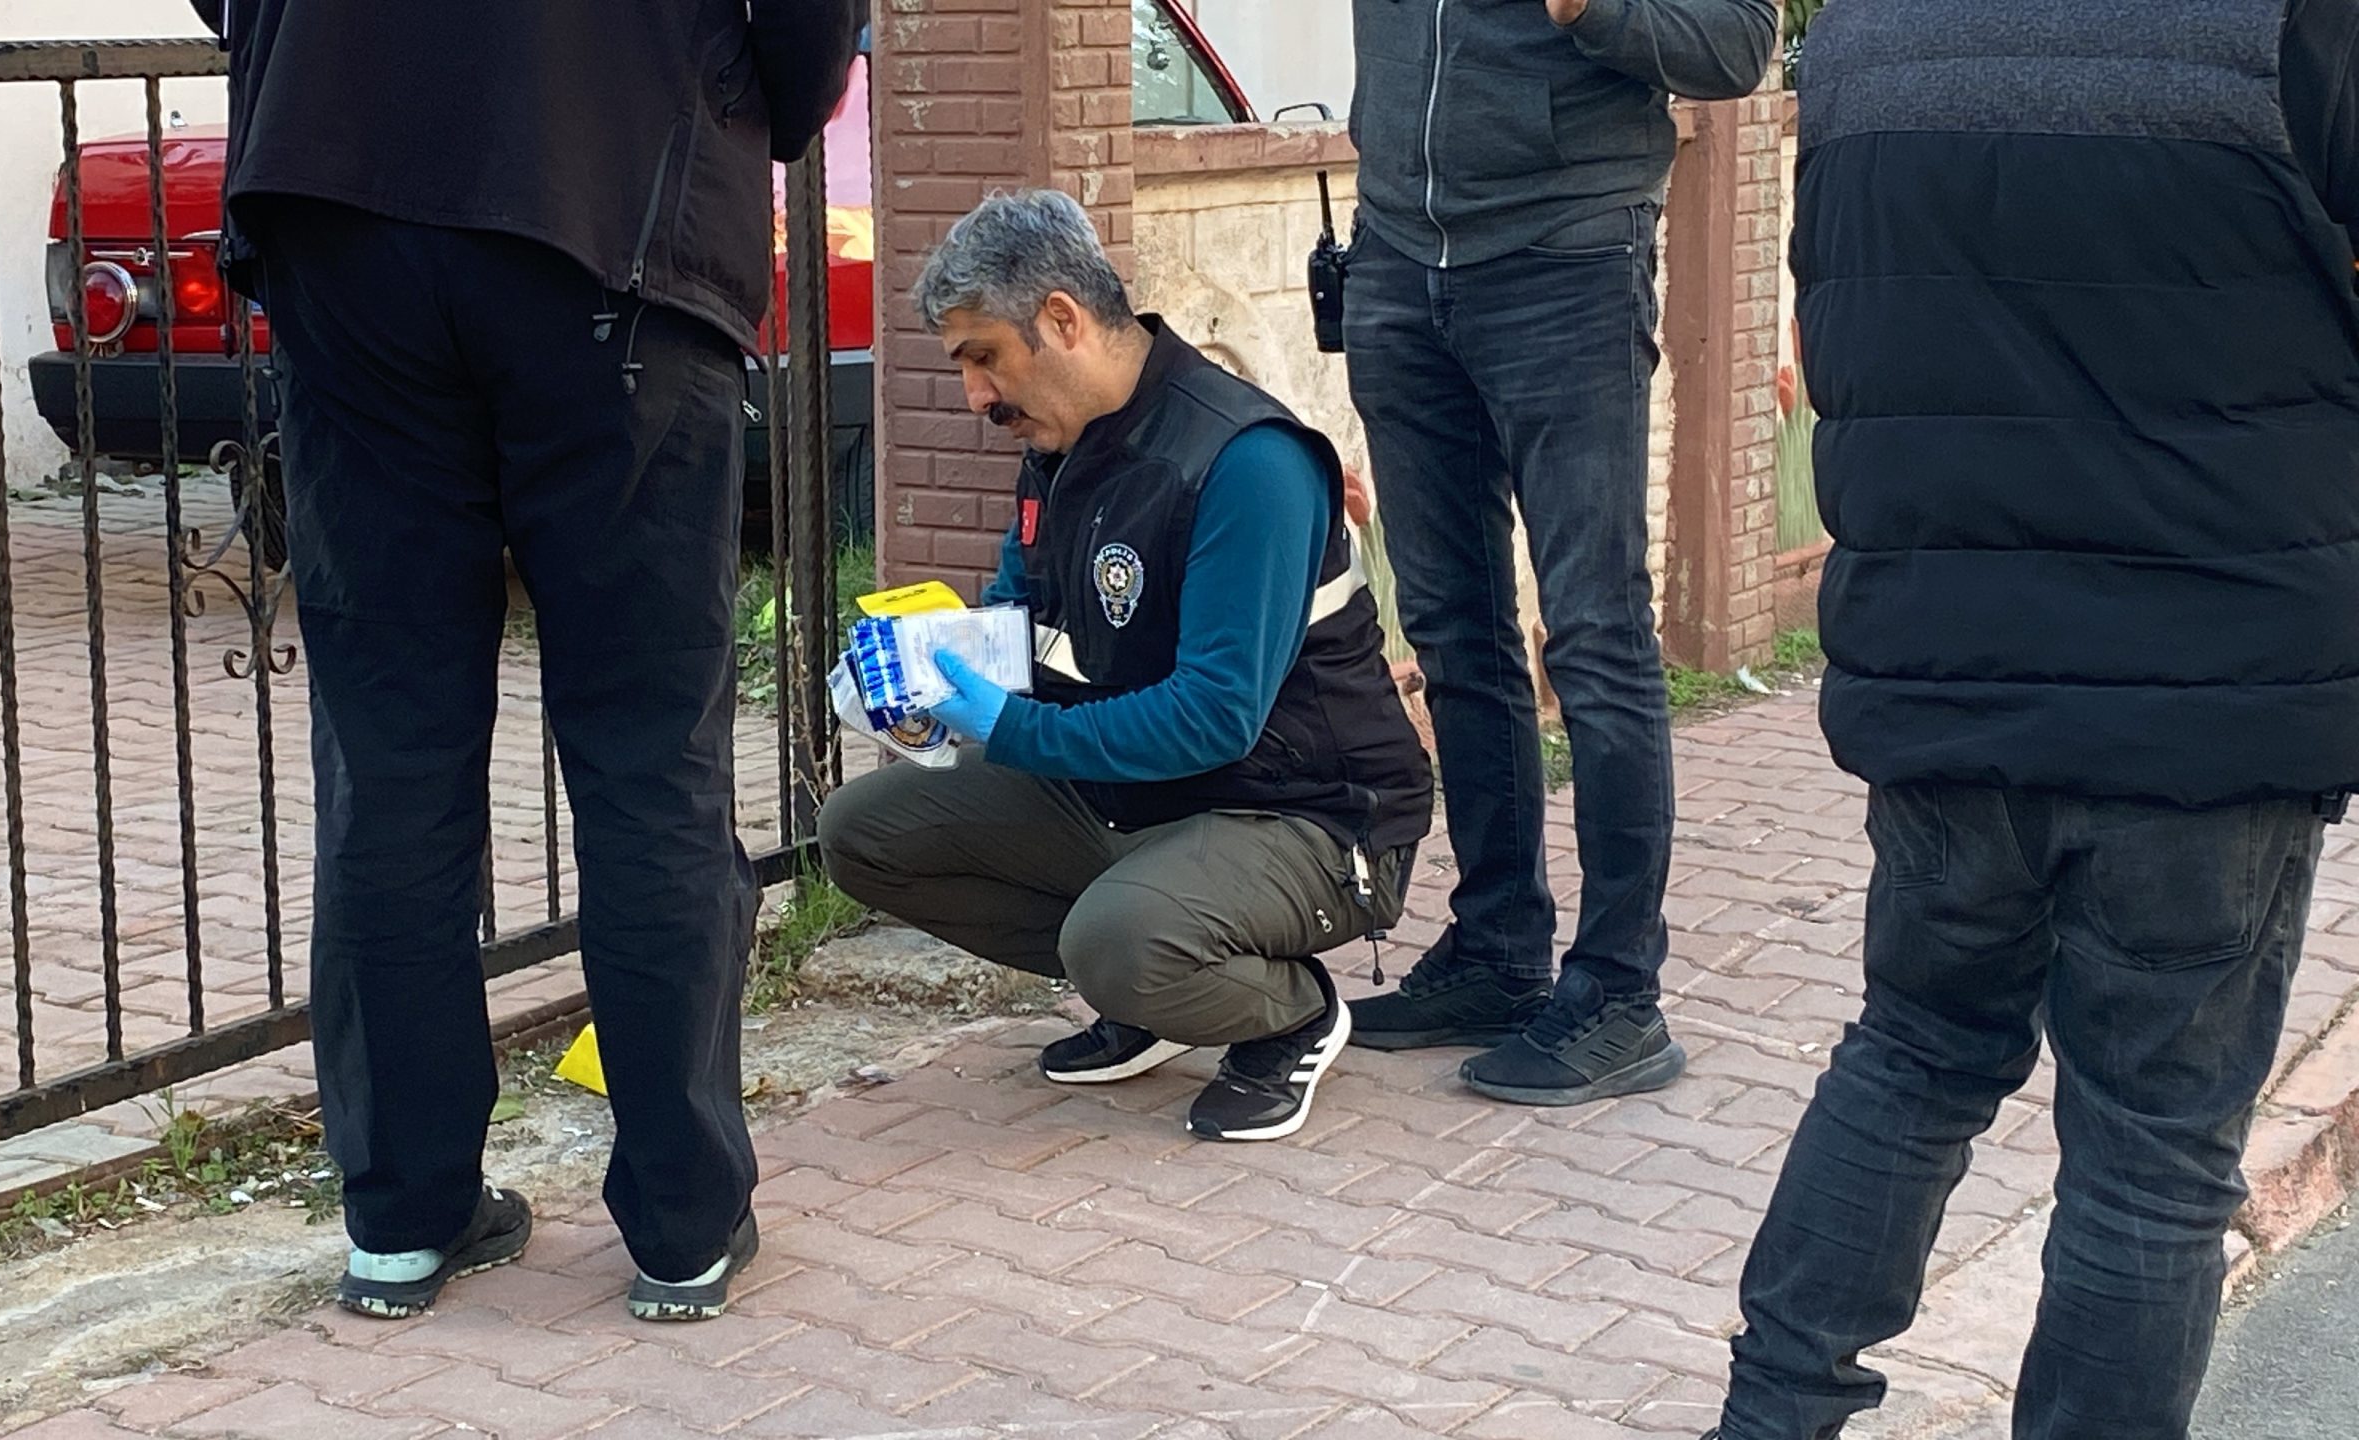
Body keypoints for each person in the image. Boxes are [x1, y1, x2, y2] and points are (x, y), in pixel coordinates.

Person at [1708, 1, 2359, 1437]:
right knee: (2151, 1157)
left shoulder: (1866, 34)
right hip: (2212, 695)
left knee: (1911, 1055)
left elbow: (1842, 331)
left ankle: (1768, 1420)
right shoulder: (2287, 24)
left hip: (1948, 671)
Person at [187, 0, 860, 1321]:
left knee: (390, 754)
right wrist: (744, 93)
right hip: (618, 201)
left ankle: (401, 1214)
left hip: (341, 192)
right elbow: (807, 31)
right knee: (647, 753)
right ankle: (681, 1224)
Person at [816, 190, 1435, 1143]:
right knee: (861, 832)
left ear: (1062, 320)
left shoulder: (1247, 461)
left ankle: (1285, 1014)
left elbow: (1216, 716)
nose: (976, 396)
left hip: (1305, 811)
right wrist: (927, 679)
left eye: (985, 357)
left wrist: (1007, 726)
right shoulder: (1060, 446)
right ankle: (1151, 978)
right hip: (1140, 795)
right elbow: (1022, 619)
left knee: (1117, 942)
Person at [1336, 0, 1778, 1104]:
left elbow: (1735, 44)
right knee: (1451, 631)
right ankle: (1495, 952)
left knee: (1594, 633)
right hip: (1396, 254)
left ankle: (1621, 996)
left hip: (1566, 255)